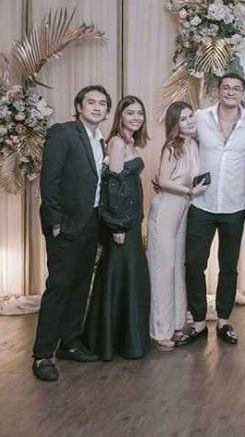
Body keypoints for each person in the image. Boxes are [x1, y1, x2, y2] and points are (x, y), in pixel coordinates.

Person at [32, 84, 111, 382]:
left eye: (102, 104)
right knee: (59, 288)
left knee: (80, 286)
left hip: (92, 223)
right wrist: (55, 221)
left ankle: (70, 343)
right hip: (65, 225)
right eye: (91, 102)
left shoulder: (101, 140)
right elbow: (49, 180)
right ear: (79, 106)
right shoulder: (63, 133)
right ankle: (42, 355)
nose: (97, 107)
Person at [183, 72, 245, 347]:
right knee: (194, 263)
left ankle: (224, 320)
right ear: (218, 91)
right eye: (226, 87)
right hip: (201, 203)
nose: (230, 92)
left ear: (243, 93)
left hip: (235, 205)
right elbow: (181, 141)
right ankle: (198, 321)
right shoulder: (199, 117)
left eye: (236, 88)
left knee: (229, 266)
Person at [84, 95, 151, 360]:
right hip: (122, 223)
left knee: (128, 278)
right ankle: (111, 342)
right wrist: (117, 226)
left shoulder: (129, 141)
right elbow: (113, 187)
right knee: (118, 276)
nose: (136, 117)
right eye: (130, 113)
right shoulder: (117, 142)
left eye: (139, 113)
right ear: (120, 116)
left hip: (131, 220)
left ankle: (125, 340)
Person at [147, 101, 205, 351]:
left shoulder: (194, 144)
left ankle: (177, 323)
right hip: (166, 209)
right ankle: (160, 332)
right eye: (183, 118)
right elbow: (162, 180)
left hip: (183, 210)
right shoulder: (172, 147)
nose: (189, 121)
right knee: (162, 270)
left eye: (191, 116)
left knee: (178, 268)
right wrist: (190, 191)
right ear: (175, 124)